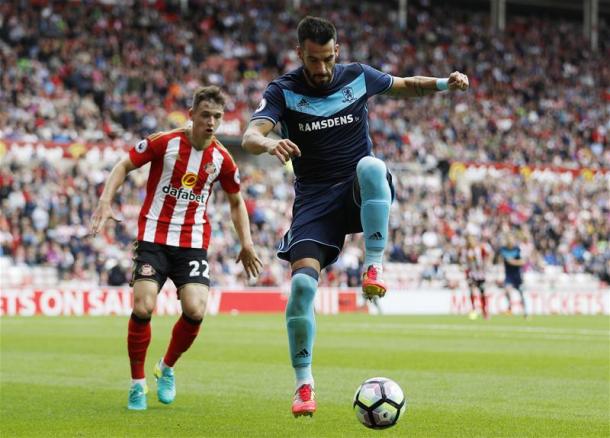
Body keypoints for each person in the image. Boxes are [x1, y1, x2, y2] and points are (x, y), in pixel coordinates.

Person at [241, 16, 469, 417]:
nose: (323, 68)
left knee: (371, 166)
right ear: (300, 54)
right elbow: (249, 135)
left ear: (337, 52)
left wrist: (442, 84)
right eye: (314, 60)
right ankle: (304, 386)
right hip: (314, 204)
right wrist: (268, 141)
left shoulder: (357, 76)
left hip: (356, 192)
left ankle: (374, 267)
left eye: (329, 58)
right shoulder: (283, 90)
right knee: (301, 292)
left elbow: (405, 86)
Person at [90, 85, 262, 410]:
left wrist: (247, 243)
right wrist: (105, 199)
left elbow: (236, 201)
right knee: (143, 307)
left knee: (196, 310)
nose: (211, 122)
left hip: (192, 244)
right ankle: (137, 384)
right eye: (206, 115)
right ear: (192, 114)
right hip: (153, 238)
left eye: (217, 117)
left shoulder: (222, 160)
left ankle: (166, 368)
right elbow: (123, 165)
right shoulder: (165, 142)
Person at [462, 235, 492, 320]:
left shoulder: (480, 249)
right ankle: (473, 309)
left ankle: (484, 311)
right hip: (472, 274)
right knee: (471, 290)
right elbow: (465, 262)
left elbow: (488, 255)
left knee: (482, 292)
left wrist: (486, 264)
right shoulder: (466, 251)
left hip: (481, 275)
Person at [498, 233, 527, 318]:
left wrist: (513, 262)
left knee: (521, 293)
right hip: (508, 275)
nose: (510, 242)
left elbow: (523, 262)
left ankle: (525, 311)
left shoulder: (517, 250)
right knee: (507, 290)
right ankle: (509, 308)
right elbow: (499, 259)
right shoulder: (503, 249)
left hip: (517, 275)